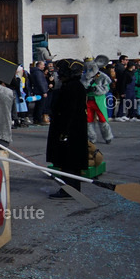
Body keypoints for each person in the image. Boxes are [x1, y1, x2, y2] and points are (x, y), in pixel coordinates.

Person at [46, 60, 89, 199]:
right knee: (71, 162)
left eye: (61, 71)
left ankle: (69, 189)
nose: (58, 74)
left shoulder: (71, 87)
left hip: (69, 131)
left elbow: (68, 112)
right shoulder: (73, 86)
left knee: (68, 161)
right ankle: (72, 188)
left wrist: (64, 132)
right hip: (73, 130)